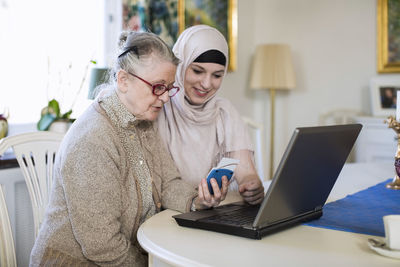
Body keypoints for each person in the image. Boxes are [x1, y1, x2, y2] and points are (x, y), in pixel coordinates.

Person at [30, 31, 228, 266]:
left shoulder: (143, 119)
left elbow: (169, 183)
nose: (165, 98)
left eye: (169, 88)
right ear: (123, 80)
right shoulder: (93, 139)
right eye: (158, 87)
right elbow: (103, 246)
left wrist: (198, 201)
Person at [157, 25, 264, 205]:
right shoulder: (159, 108)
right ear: (180, 67)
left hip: (213, 215)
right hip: (169, 216)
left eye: (217, 75)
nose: (207, 84)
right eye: (197, 71)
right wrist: (196, 202)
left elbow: (246, 173)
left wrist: (252, 186)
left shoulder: (225, 112)